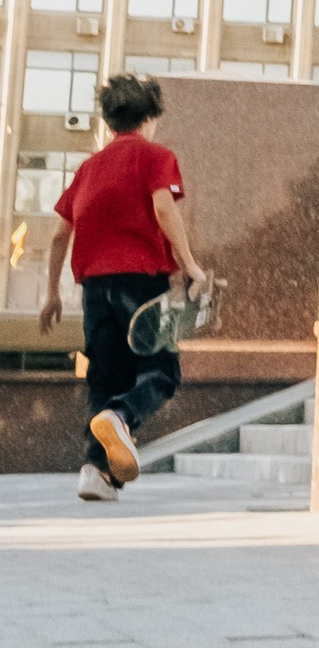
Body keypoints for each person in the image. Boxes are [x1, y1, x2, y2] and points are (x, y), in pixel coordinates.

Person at [37, 71, 212, 501]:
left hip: (94, 289)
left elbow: (59, 236)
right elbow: (163, 207)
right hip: (140, 282)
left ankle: (96, 472)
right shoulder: (155, 157)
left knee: (106, 376)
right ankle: (121, 415)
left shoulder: (88, 168)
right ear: (149, 118)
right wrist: (189, 264)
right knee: (161, 371)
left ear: (109, 120)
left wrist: (52, 293)